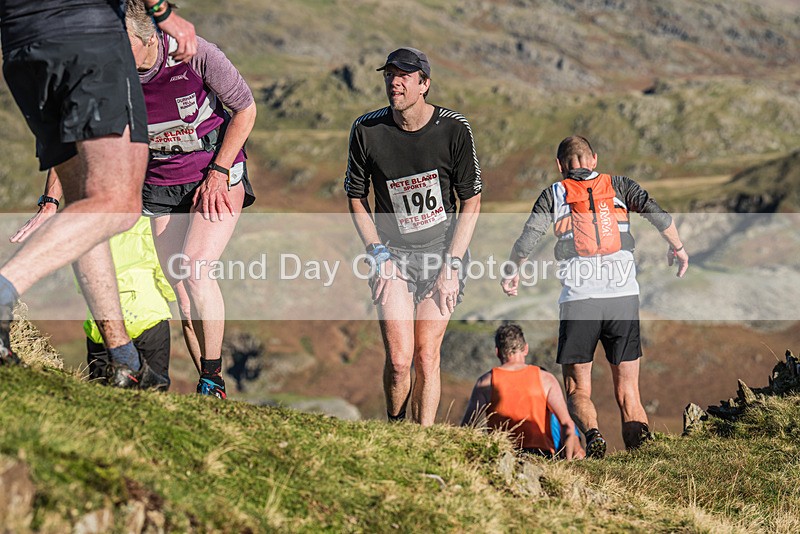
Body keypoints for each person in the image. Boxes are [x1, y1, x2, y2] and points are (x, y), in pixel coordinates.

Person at [0, 0, 197, 385]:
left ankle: (123, 358)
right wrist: (163, 13)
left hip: (21, 43)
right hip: (86, 33)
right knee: (119, 205)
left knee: (84, 205)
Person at [501, 136, 689, 457]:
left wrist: (512, 269)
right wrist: (678, 248)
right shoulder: (620, 185)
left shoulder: (554, 193)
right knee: (629, 391)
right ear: (594, 160)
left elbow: (529, 236)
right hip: (624, 298)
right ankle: (642, 458)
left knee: (577, 388)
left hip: (579, 301)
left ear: (560, 166)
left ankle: (593, 434)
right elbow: (660, 216)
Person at [125, 0, 257, 399]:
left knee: (197, 269)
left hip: (214, 173)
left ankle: (213, 380)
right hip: (160, 183)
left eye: (121, 41)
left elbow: (245, 110)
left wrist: (218, 172)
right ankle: (208, 387)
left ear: (149, 38)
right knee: (181, 294)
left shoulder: (196, 53)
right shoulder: (115, 75)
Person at [345, 47, 482, 426]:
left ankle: (423, 441)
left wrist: (452, 264)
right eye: (389, 74)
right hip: (393, 255)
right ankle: (395, 426)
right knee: (400, 360)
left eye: (404, 75)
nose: (395, 81)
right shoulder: (367, 130)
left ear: (424, 83)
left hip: (443, 253)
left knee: (426, 355)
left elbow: (471, 200)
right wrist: (377, 255)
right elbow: (356, 197)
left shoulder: (454, 129)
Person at [11, 171, 175, 389]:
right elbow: (163, 270)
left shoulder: (90, 230)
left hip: (100, 322)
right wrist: (169, 296)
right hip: (149, 317)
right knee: (154, 388)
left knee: (102, 387)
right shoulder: (147, 224)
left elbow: (84, 277)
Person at [461, 324, 585, 460]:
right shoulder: (546, 379)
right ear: (526, 348)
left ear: (497, 352)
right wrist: (565, 462)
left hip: (500, 455)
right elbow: (567, 425)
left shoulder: (485, 382)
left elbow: (467, 429)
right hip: (540, 457)